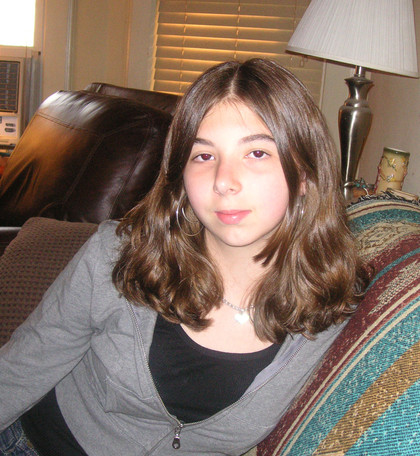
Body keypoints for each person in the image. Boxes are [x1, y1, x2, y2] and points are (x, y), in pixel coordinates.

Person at [0, 59, 369, 456]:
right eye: (204, 156)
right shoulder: (120, 257)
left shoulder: (331, 309)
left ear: (306, 175)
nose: (224, 181)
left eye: (257, 152)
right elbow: (23, 367)